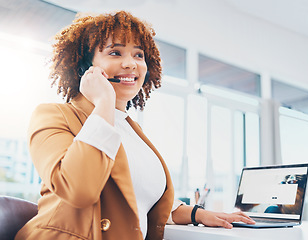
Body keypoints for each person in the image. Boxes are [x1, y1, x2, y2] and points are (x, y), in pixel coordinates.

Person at [15, 10, 255, 240]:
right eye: (115, 53)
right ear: (85, 67)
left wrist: (200, 214)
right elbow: (78, 189)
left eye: (138, 55)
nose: (131, 64)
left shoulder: (131, 130)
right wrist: (103, 102)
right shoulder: (53, 115)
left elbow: (147, 200)